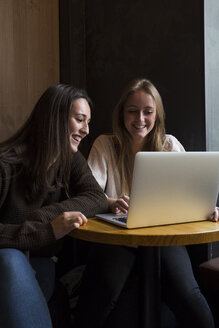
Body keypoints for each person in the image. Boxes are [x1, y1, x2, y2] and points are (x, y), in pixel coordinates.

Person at [75, 78, 217, 328]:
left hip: (163, 238)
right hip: (117, 237)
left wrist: (206, 209)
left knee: (189, 296)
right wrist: (111, 203)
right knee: (103, 296)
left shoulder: (170, 145)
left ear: (157, 115)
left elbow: (189, 197)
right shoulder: (105, 145)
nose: (140, 118)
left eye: (148, 112)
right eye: (132, 111)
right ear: (122, 114)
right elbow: (88, 195)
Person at [0, 84, 108, 328]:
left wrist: (43, 217)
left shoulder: (70, 159)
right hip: (7, 265)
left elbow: (96, 198)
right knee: (9, 259)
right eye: (80, 119)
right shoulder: (5, 165)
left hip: (40, 263)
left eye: (88, 122)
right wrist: (45, 230)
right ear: (55, 117)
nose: (86, 130)